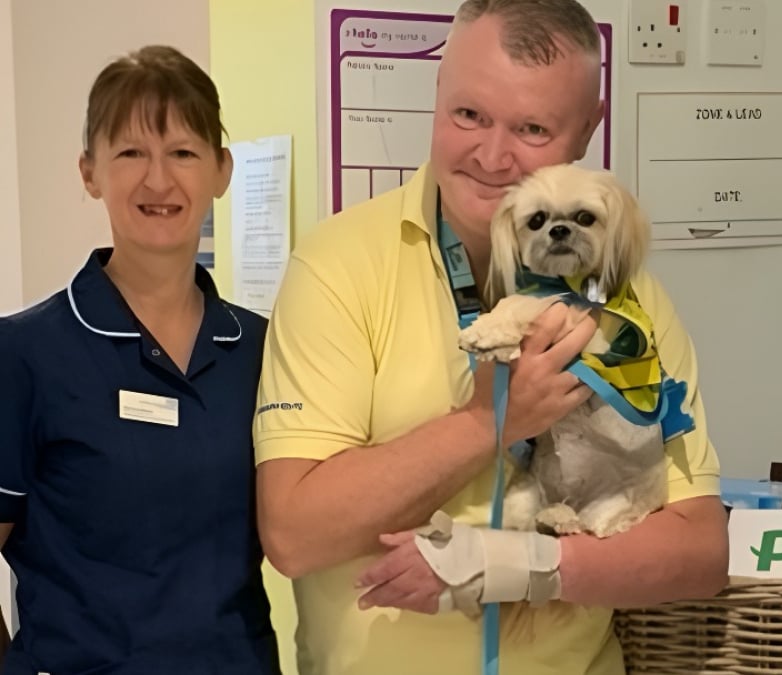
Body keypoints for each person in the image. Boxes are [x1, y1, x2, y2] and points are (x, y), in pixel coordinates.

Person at [252, 1, 728, 673]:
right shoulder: (338, 266)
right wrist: (490, 419)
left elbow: (700, 552)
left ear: (589, 129)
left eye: (532, 127)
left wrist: (522, 565)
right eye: (468, 115)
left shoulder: (631, 301)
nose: (492, 155)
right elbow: (295, 535)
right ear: (437, 92)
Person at [0, 46, 281, 674]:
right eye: (131, 153)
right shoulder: (24, 355)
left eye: (182, 152)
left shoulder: (266, 350)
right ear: (89, 172)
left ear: (222, 170)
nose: (158, 180)